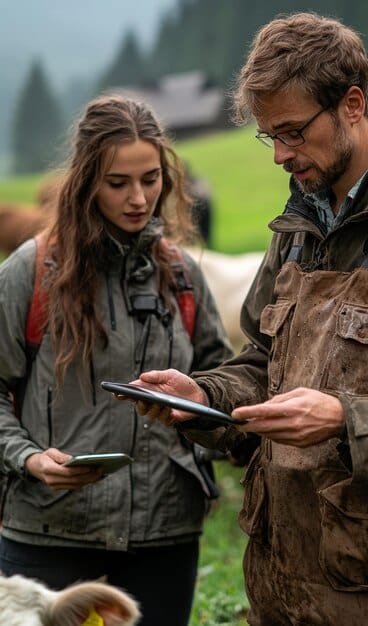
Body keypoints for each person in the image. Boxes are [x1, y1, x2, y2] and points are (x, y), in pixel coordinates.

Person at [128, 12, 368, 626]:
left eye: (294, 132)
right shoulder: (301, 221)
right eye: (267, 137)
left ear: (352, 104)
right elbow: (261, 361)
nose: (280, 155)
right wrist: (207, 396)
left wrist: (345, 422)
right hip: (280, 595)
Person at [0, 94, 233, 626]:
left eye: (151, 179)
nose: (139, 198)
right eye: (117, 183)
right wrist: (28, 459)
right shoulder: (30, 271)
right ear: (85, 181)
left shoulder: (183, 276)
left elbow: (222, 384)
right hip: (48, 533)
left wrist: (201, 407)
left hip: (165, 536)